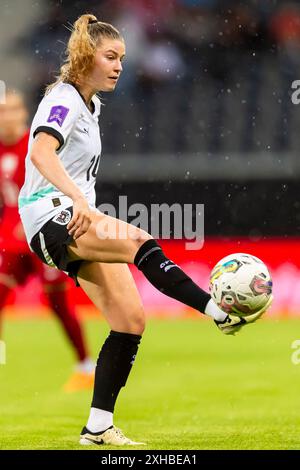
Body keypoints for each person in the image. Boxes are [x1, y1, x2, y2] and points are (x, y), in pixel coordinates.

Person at [18, 14, 272, 446]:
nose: (119, 66)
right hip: (52, 214)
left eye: (122, 58)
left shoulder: (90, 103)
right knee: (140, 241)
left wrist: (82, 202)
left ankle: (97, 427)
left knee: (131, 320)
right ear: (85, 58)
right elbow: (42, 152)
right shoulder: (62, 98)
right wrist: (79, 201)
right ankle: (213, 310)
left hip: (68, 215)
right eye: (110, 57)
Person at [0, 90, 95, 392]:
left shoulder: (37, 145)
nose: (9, 116)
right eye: (3, 111)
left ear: (23, 114)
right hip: (10, 242)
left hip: (39, 233)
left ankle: (85, 365)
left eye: (13, 109)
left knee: (58, 303)